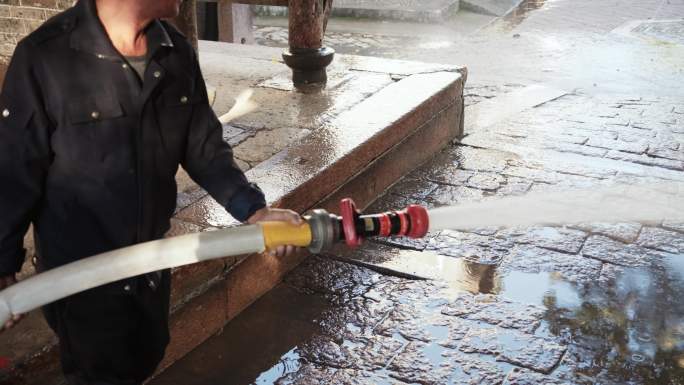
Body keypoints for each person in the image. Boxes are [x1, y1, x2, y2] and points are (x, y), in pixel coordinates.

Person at [0, 0, 301, 383]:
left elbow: (203, 147)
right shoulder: (45, 56)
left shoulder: (174, 52)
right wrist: (2, 261)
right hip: (81, 276)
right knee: (101, 371)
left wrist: (254, 211)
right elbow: (13, 171)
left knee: (147, 352)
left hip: (150, 264)